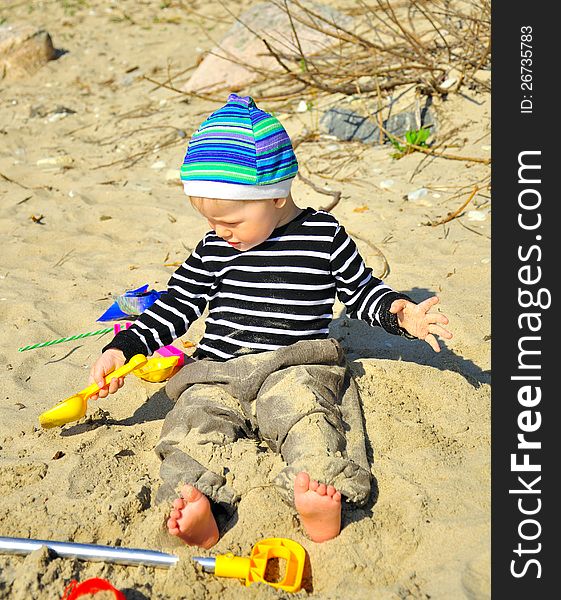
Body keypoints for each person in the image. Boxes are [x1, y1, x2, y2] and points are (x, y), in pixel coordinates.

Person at [88, 93, 452, 548]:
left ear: (277, 195)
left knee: (310, 416)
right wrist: (124, 347)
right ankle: (196, 501)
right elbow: (176, 305)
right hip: (217, 372)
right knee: (192, 424)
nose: (220, 231)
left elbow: (361, 291)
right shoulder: (214, 248)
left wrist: (401, 312)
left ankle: (318, 492)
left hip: (291, 365)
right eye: (211, 220)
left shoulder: (323, 235)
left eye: (232, 220)